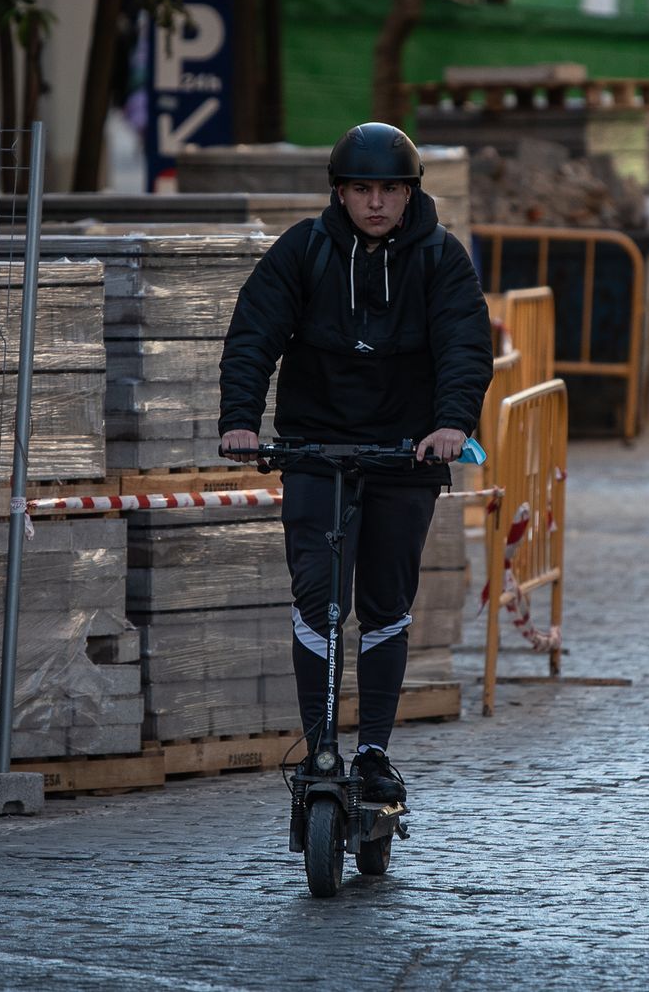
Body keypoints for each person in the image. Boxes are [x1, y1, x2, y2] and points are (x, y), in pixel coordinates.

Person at [219, 122, 493, 802]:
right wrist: (239, 422)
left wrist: (452, 424)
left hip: (406, 452)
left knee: (385, 604)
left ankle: (373, 752)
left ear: (410, 193)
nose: (376, 202)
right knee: (317, 598)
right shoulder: (304, 250)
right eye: (361, 188)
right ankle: (320, 751)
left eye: (390, 190)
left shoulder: (441, 258)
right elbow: (254, 332)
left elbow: (464, 345)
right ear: (339, 192)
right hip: (316, 448)